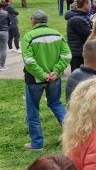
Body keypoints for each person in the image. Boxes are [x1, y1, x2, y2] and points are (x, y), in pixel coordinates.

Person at [22, 10, 71, 150]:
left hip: (34, 80)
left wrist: (43, 75)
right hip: (54, 79)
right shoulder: (57, 34)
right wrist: (55, 72)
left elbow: (29, 60)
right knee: (56, 104)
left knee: (33, 110)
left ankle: (37, 143)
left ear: (33, 21)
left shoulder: (28, 36)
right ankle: (73, 133)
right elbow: (67, 55)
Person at [65, 0, 92, 71]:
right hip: (78, 54)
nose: (91, 5)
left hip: (83, 52)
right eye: (89, 3)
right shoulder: (76, 20)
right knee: (79, 79)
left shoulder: (82, 15)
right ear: (85, 5)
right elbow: (88, 35)